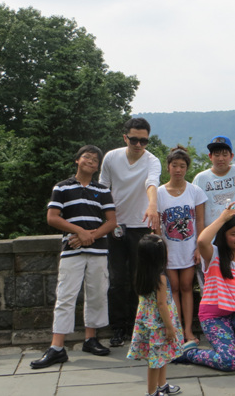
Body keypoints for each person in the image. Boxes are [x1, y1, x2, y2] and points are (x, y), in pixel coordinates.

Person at [31, 145, 116, 369]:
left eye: (95, 160)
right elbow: (52, 217)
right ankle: (57, 347)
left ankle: (91, 339)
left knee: (97, 294)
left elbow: (112, 222)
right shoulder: (62, 187)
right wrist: (79, 231)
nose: (91, 161)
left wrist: (90, 235)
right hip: (71, 250)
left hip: (98, 250)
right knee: (65, 296)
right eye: (86, 157)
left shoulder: (102, 190)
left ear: (98, 167)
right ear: (77, 160)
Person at [180, 204, 235, 371]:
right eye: (233, 234)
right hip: (214, 317)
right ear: (224, 235)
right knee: (230, 362)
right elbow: (202, 240)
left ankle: (232, 342)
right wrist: (222, 218)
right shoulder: (213, 254)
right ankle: (189, 353)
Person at [100, 117, 162, 347]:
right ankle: (118, 327)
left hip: (140, 225)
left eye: (143, 141)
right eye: (134, 139)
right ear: (125, 137)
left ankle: (139, 326)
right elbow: (103, 188)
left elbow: (151, 183)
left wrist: (152, 205)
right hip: (116, 225)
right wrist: (106, 219)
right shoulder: (111, 157)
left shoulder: (152, 160)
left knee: (140, 278)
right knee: (117, 279)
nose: (138, 145)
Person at [157, 145, 207, 347]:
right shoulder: (159, 193)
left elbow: (200, 221)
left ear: (187, 168)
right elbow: (156, 225)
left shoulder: (195, 191)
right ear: (168, 167)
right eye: (175, 165)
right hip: (169, 249)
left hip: (188, 248)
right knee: (174, 288)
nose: (178, 169)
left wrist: (199, 247)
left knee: (187, 287)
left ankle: (188, 330)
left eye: (182, 166)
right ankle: (176, 330)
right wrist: (160, 249)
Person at [127, 234, 183, 396]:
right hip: (159, 324)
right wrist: (169, 327)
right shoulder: (160, 278)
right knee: (156, 360)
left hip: (147, 321)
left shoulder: (142, 274)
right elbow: (161, 304)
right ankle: (152, 392)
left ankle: (162, 384)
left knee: (161, 355)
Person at [192, 135, 235, 250]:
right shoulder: (201, 179)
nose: (221, 158)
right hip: (212, 239)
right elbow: (198, 213)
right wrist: (200, 241)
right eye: (216, 155)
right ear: (210, 156)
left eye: (225, 155)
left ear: (231, 156)